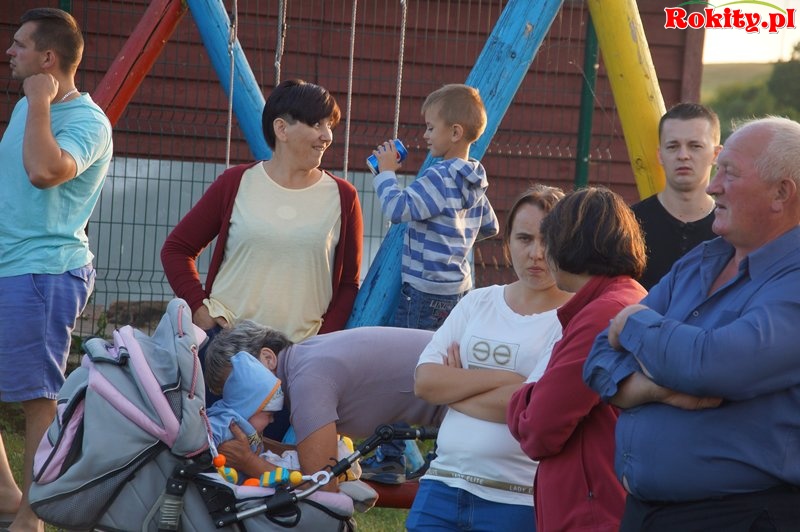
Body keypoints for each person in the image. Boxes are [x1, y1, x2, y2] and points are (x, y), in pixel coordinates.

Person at [583, 117, 800, 531]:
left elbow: (714, 365)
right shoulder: (703, 259)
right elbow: (597, 358)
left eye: (729, 173)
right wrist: (659, 389)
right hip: (645, 512)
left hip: (744, 516)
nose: (713, 186)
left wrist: (633, 322)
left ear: (781, 193)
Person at [0, 8, 113, 532]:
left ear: (48, 58)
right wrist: (35, 103)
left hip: (43, 273)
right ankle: (7, 496)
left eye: (20, 45)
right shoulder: (27, 107)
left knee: (37, 398)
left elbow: (45, 171)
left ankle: (32, 517)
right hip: (8, 266)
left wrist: (42, 101)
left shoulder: (88, 122)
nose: (10, 52)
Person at [406, 185, 572, 531]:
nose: (536, 253)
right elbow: (425, 383)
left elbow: (533, 409)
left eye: (548, 240)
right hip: (441, 485)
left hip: (516, 498)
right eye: (524, 239)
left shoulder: (571, 320)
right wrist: (508, 381)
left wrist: (454, 390)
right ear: (507, 243)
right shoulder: (476, 302)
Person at [161, 79, 363, 344]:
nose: (327, 136)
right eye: (317, 124)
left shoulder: (344, 196)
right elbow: (176, 249)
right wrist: (199, 309)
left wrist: (319, 345)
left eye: (329, 125)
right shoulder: (235, 183)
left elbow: (349, 284)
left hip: (299, 352)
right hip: (226, 346)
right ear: (281, 129)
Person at [507, 187, 648, 532]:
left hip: (591, 513)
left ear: (570, 243)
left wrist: (521, 396)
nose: (542, 252)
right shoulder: (623, 299)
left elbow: (539, 430)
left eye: (548, 239)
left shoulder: (601, 316)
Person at [203, 322, 446, 491]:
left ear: (268, 357)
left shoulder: (306, 382)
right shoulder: (304, 358)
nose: (239, 406)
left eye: (237, 388)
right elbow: (311, 458)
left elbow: (321, 485)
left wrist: (248, 462)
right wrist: (256, 446)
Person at [371, 83, 498, 331]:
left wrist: (385, 173)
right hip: (459, 289)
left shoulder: (439, 177)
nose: (425, 135)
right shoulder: (474, 180)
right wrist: (454, 239)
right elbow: (490, 226)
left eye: (430, 128)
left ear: (455, 132)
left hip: (425, 291)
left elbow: (397, 209)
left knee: (413, 349)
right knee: (444, 347)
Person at [632, 102, 721, 289]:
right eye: (673, 146)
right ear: (660, 155)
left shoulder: (731, 229)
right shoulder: (629, 225)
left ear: (716, 154)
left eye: (695, 146)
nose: (683, 155)